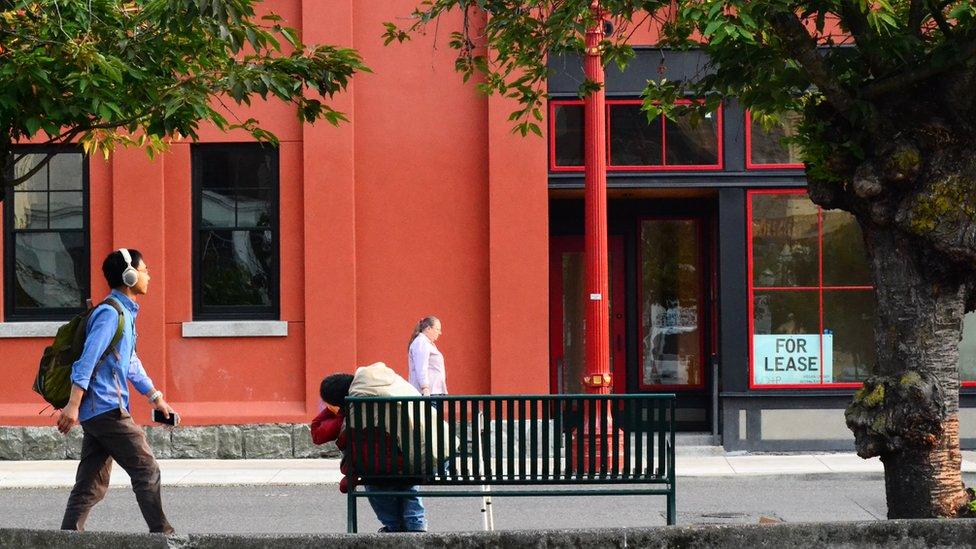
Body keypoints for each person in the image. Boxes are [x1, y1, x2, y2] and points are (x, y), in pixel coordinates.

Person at [57, 249, 176, 535]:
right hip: (108, 409)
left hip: (100, 412)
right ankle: (163, 536)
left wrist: (155, 398)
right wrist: (72, 405)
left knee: (89, 485)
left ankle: (66, 539)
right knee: (146, 469)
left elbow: (130, 362)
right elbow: (88, 358)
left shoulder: (124, 313)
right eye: (145, 269)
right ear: (129, 276)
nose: (149, 275)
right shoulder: (110, 314)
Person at [322, 362, 450, 533]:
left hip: (404, 467)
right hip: (435, 458)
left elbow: (348, 444)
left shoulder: (358, 404)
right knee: (405, 472)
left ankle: (393, 527)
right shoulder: (394, 383)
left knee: (374, 476)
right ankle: (415, 525)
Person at [407, 316, 447, 397]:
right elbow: (421, 366)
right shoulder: (421, 343)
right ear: (428, 328)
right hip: (429, 393)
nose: (440, 333)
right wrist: (425, 387)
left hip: (434, 391)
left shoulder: (426, 343)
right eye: (437, 329)